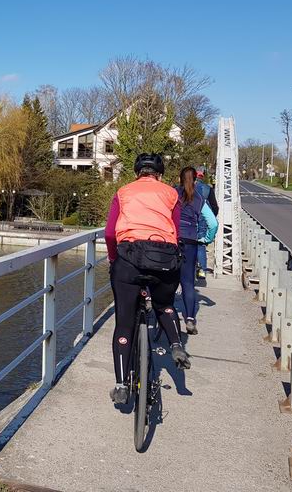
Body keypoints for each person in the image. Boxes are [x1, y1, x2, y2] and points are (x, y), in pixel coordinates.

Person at [105, 153, 191, 405]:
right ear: (160, 175)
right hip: (163, 259)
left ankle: (121, 385)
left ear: (136, 173)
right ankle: (176, 343)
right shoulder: (170, 194)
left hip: (129, 261)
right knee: (164, 304)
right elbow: (175, 232)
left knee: (124, 323)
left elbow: (111, 233)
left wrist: (113, 260)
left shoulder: (123, 192)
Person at [176, 167, 218, 335]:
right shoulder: (199, 198)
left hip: (173, 240)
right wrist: (206, 239)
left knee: (166, 278)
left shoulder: (173, 193)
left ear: (179, 178)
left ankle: (163, 312)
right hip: (191, 241)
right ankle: (190, 320)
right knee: (188, 283)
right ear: (195, 179)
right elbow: (213, 223)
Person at [194, 169, 219, 279]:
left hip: (189, 219)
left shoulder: (185, 188)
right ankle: (202, 270)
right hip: (203, 219)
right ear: (202, 177)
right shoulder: (208, 189)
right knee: (200, 245)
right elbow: (214, 207)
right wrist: (211, 216)